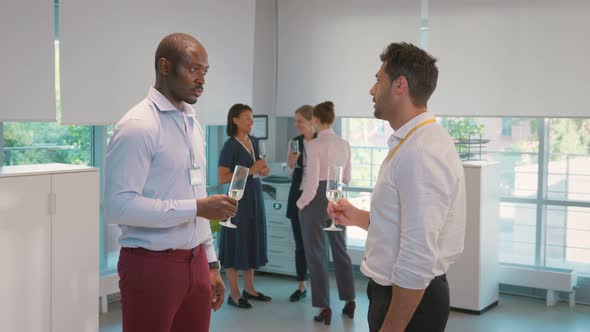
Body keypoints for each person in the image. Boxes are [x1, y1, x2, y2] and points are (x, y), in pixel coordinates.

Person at [328, 42, 467, 332]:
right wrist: (357, 217)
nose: (371, 89)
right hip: (397, 293)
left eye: (378, 79)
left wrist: (392, 326)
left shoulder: (420, 152)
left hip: (408, 301)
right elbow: (405, 226)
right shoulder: (415, 142)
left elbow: (418, 255)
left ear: (400, 85)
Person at [104, 33, 238, 332]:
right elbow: (119, 206)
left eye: (205, 72)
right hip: (150, 266)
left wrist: (211, 263)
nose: (202, 80)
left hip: (196, 263)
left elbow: (197, 192)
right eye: (194, 69)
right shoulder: (138, 126)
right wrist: (196, 208)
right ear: (165, 67)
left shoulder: (191, 122)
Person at [297, 101, 356, 325]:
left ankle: (324, 306)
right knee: (340, 250)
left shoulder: (313, 145)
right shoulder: (344, 144)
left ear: (315, 120)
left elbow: (312, 183)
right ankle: (350, 300)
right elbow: (347, 178)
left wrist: (301, 203)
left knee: (316, 253)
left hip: (317, 198)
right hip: (338, 195)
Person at [218, 103, 271, 309]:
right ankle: (235, 294)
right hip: (237, 201)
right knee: (235, 243)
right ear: (235, 120)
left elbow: (258, 169)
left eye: (252, 117)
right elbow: (223, 177)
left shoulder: (256, 142)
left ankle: (250, 289)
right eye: (247, 117)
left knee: (251, 241)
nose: (251, 121)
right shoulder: (229, 146)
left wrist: (260, 171)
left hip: (255, 197)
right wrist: (251, 170)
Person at [285, 104, 316, 302]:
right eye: (296, 120)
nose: (296, 125)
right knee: (300, 245)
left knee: (316, 245)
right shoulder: (294, 142)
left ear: (312, 121)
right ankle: (301, 285)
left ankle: (319, 287)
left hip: (315, 199)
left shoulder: (322, 142)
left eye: (299, 121)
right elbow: (290, 174)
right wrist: (290, 163)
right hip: (297, 198)